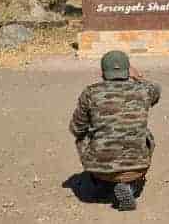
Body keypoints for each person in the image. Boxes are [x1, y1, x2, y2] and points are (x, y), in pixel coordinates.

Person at [69, 51, 161, 211]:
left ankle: (101, 181)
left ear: (102, 72)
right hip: (137, 164)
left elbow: (76, 127)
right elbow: (157, 90)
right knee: (146, 135)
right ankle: (130, 186)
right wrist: (138, 77)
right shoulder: (144, 90)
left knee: (81, 137)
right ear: (128, 70)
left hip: (99, 165)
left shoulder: (91, 92)